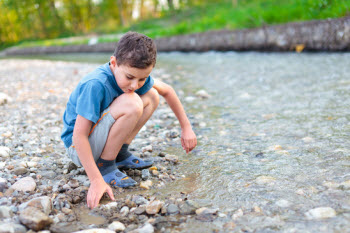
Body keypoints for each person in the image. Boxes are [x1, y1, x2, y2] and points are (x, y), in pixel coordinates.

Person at [61, 32, 197, 209]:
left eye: (142, 79)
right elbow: (79, 135)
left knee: (152, 95)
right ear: (114, 63)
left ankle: (120, 154)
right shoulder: (95, 84)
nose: (135, 85)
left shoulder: (135, 78)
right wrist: (96, 180)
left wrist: (186, 128)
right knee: (132, 101)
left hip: (97, 139)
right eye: (130, 77)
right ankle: (105, 166)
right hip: (78, 148)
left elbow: (167, 91)